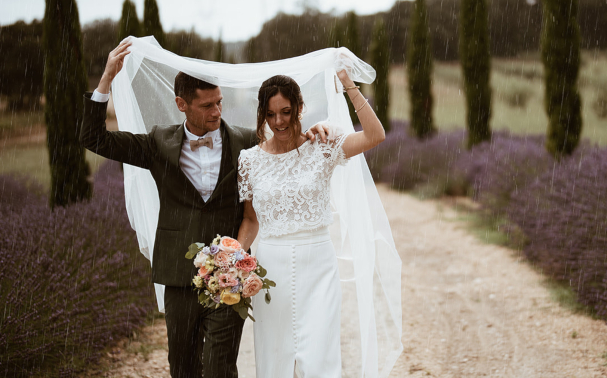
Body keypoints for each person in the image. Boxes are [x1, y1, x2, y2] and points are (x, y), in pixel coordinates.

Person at [80, 40, 334, 378]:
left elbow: (284, 147)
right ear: (181, 104)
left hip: (229, 276)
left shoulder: (246, 142)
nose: (216, 112)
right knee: (182, 365)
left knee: (219, 366)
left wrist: (314, 131)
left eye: (219, 102)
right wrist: (106, 80)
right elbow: (94, 139)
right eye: (206, 105)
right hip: (177, 273)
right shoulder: (158, 143)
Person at [235, 71, 386, 377]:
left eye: (286, 112)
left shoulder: (323, 145)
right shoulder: (249, 160)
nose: (279, 122)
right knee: (274, 358)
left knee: (319, 359)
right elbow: (251, 219)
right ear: (262, 115)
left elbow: (375, 136)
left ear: (299, 108)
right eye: (271, 114)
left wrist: (349, 86)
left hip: (318, 265)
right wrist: (234, 258)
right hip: (270, 269)